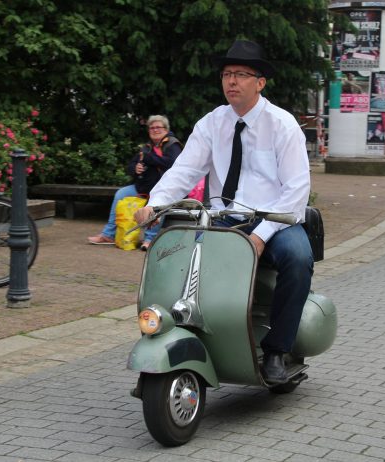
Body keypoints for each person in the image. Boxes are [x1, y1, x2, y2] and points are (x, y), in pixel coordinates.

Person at [134, 39, 314, 384]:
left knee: (297, 258)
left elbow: (296, 189)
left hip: (275, 218)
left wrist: (261, 236)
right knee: (179, 258)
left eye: (241, 74)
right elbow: (185, 169)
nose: (232, 81)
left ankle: (277, 350)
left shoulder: (282, 124)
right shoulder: (212, 123)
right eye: (227, 74)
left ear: (260, 82)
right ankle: (191, 334)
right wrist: (155, 203)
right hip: (223, 218)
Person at [88, 115, 182, 250]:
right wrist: (135, 168)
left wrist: (149, 159)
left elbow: (173, 164)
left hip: (163, 189)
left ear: (166, 129)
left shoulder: (172, 144)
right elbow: (130, 165)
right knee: (121, 194)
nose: (155, 130)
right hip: (142, 187)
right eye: (152, 128)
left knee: (158, 202)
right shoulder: (147, 147)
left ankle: (150, 239)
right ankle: (108, 234)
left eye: (158, 127)